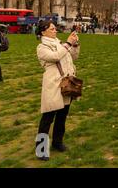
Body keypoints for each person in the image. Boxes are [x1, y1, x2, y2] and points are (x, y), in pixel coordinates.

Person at [35, 21, 80, 161]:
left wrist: (75, 45)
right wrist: (67, 43)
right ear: (43, 32)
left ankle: (57, 142)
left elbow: (73, 57)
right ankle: (41, 150)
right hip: (53, 84)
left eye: (55, 28)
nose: (55, 30)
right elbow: (55, 57)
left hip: (66, 83)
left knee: (62, 115)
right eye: (52, 28)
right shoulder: (42, 47)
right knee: (47, 118)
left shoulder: (60, 43)